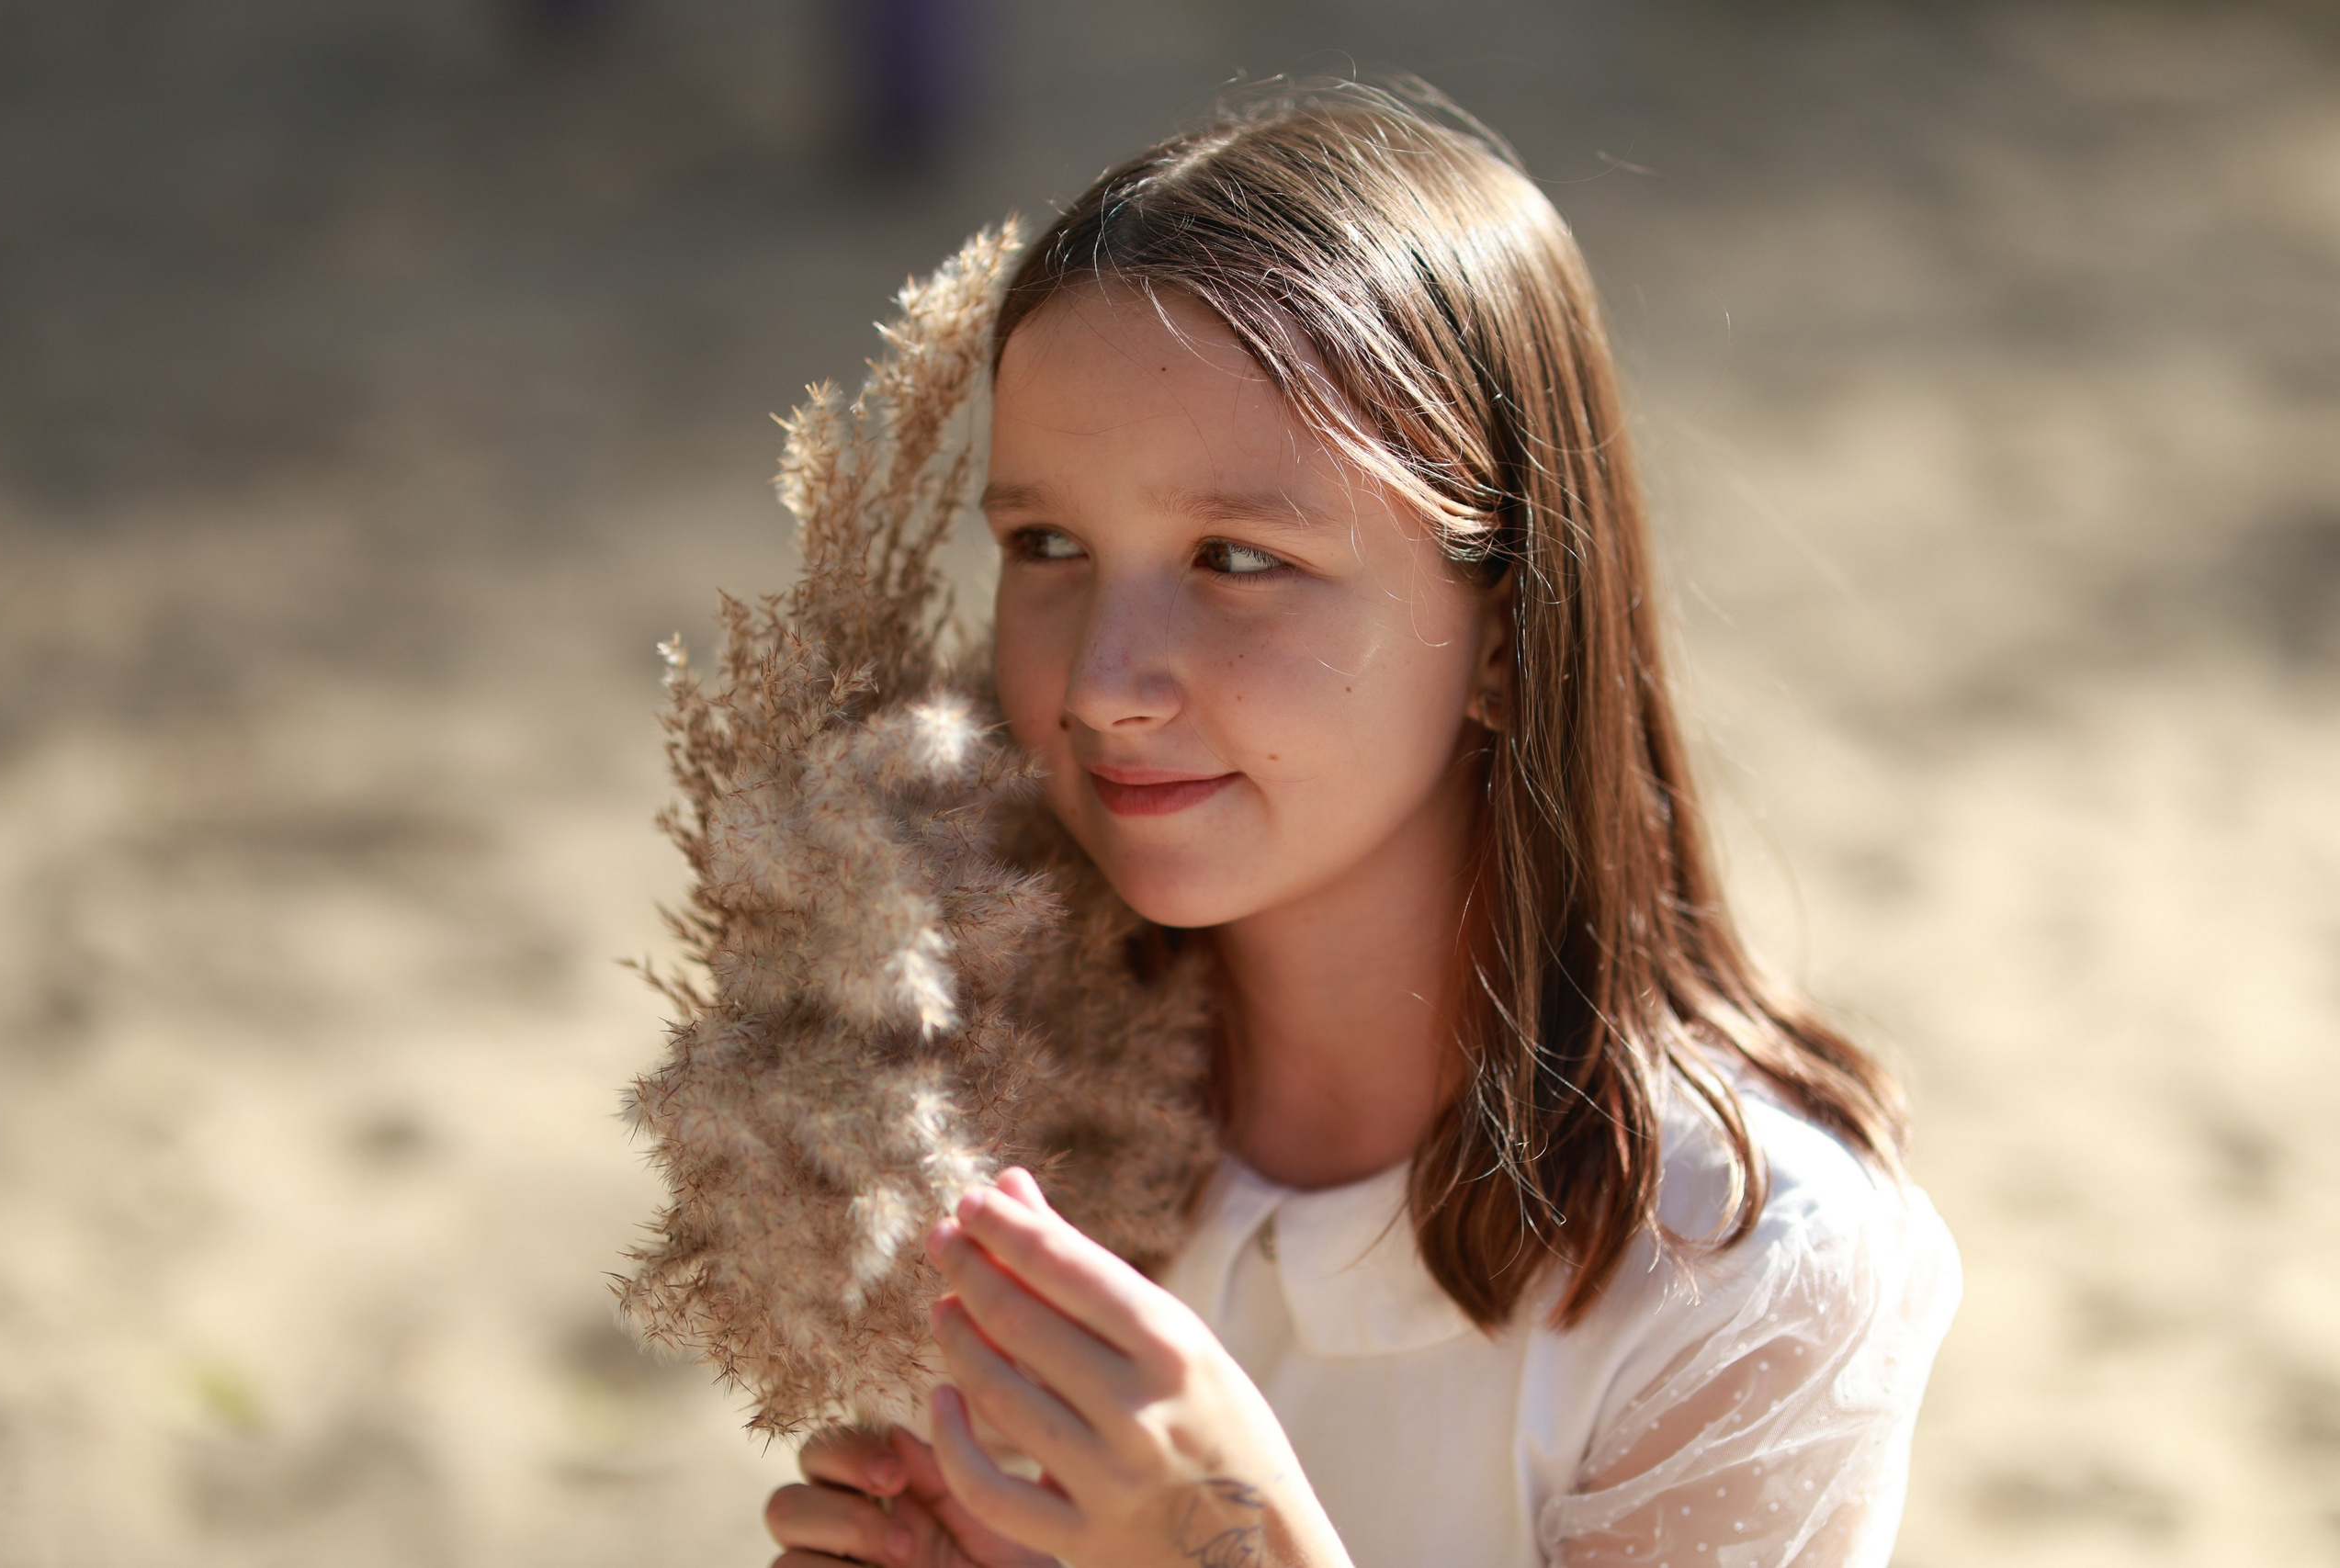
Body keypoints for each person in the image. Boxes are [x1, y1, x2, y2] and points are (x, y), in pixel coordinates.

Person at [762, 84, 1960, 1568]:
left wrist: (1227, 1545)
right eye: (1047, 544)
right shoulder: (976, 1124)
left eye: (1236, 557)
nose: (1103, 683)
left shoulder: (1748, 1271)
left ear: (1507, 630)